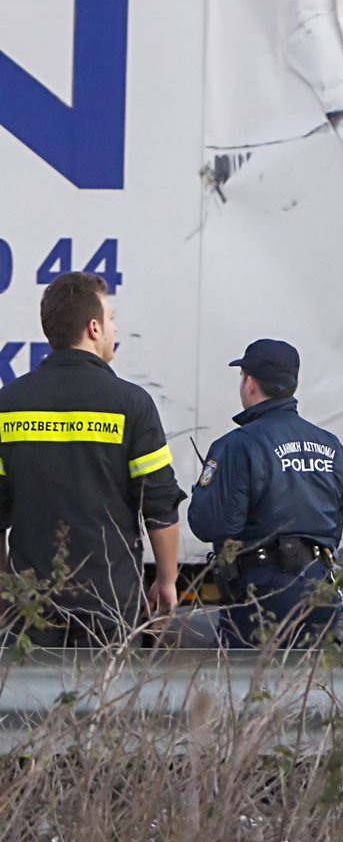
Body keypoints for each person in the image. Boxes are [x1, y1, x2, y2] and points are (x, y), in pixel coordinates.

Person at [0, 272, 184, 646]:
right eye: (112, 319)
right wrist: (166, 581)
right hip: (110, 601)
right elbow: (160, 507)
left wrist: (5, 592)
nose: (115, 328)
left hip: (30, 603)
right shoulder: (132, 405)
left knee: (28, 705)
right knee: (108, 703)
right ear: (94, 327)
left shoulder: (7, 405)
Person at [187, 339, 343, 647]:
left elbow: (212, 525)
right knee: (311, 688)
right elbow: (335, 523)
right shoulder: (331, 444)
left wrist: (202, 494)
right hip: (320, 586)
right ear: (295, 382)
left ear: (249, 383)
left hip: (264, 592)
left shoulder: (238, 444)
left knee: (249, 687)